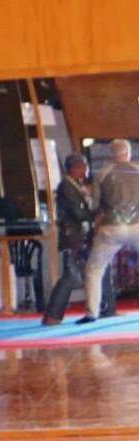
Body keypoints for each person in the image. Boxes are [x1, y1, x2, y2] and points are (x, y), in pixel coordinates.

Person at [83, 138, 139, 322]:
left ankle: (92, 312)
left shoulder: (102, 174)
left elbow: (95, 205)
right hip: (137, 226)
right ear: (128, 153)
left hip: (111, 228)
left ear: (110, 154)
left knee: (94, 270)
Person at [42, 152, 95, 326]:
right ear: (77, 168)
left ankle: (53, 315)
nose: (86, 169)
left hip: (77, 236)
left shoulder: (75, 185)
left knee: (76, 274)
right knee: (70, 276)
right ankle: (52, 315)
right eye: (84, 166)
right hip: (72, 237)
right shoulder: (66, 187)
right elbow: (77, 212)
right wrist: (93, 215)